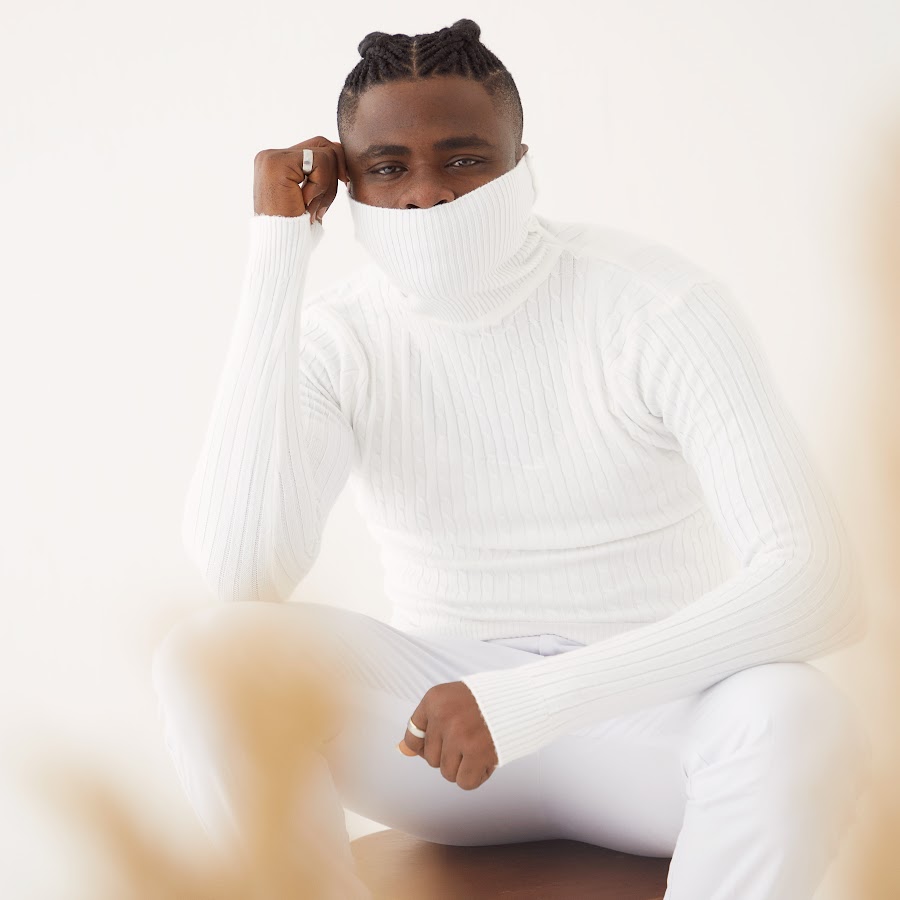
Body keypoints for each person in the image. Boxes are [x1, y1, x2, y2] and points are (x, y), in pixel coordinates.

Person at [151, 18, 872, 900]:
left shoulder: (656, 307)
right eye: (388, 168)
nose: (428, 196)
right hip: (438, 746)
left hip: (652, 723)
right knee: (211, 654)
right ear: (350, 183)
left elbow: (821, 583)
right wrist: (277, 254)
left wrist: (527, 704)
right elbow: (243, 571)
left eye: (463, 160)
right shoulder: (342, 337)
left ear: (521, 163)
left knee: (801, 715)